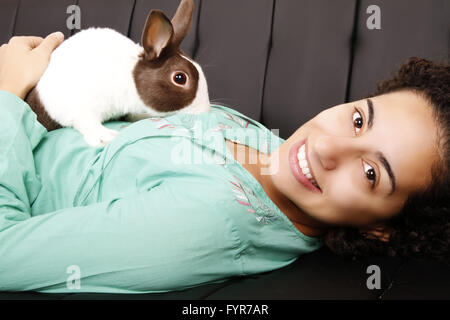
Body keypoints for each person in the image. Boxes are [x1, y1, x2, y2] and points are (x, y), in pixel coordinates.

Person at [0, 33, 448, 293]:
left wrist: (7, 92)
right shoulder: (266, 143)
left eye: (371, 173)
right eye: (357, 119)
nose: (327, 148)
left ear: (380, 228)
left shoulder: (203, 224)